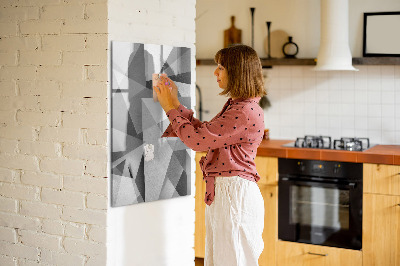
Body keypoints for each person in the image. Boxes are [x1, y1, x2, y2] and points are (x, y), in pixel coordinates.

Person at [153, 44, 266, 266]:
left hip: (234, 195)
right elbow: (205, 133)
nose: (215, 72)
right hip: (228, 193)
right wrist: (175, 103)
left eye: (221, 67)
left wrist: (169, 108)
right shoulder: (239, 106)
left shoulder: (243, 111)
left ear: (237, 71)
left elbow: (197, 141)